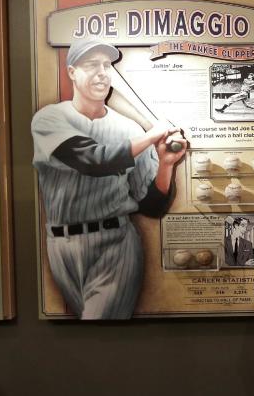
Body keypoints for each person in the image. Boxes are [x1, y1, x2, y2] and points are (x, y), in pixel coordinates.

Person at [31, 37, 186, 319]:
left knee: (98, 325)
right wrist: (152, 134)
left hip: (114, 246)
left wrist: (165, 164)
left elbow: (152, 206)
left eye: (107, 65)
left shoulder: (128, 128)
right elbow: (93, 160)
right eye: (91, 65)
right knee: (92, 338)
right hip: (61, 247)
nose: (102, 72)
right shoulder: (50, 119)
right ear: (71, 72)